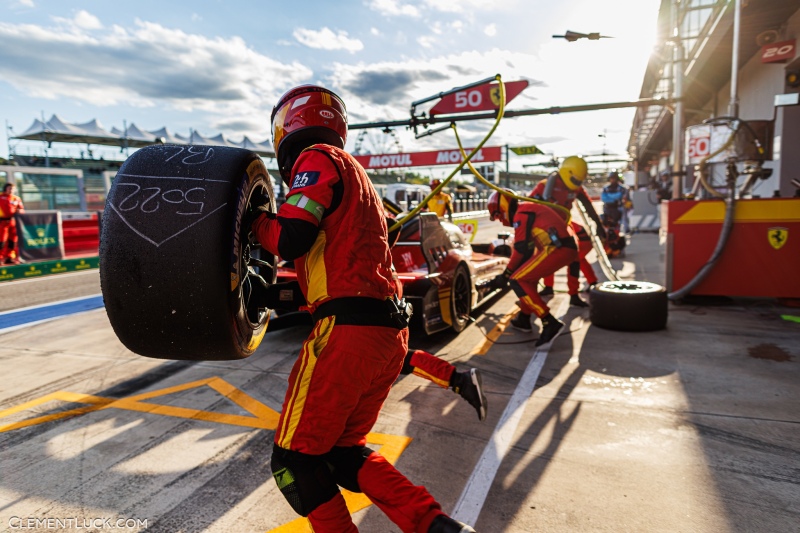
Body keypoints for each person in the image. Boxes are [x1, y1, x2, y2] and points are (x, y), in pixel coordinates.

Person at [251, 84, 477, 533]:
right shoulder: (362, 184)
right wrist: (265, 295)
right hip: (385, 335)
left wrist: (250, 218)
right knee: (341, 452)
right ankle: (436, 526)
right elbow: (335, 277)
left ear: (285, 125)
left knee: (294, 463)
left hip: (346, 337)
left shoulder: (317, 158)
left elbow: (289, 236)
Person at [486, 189, 578, 346]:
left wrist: (506, 275)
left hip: (558, 248)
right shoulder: (526, 210)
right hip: (561, 247)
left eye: (498, 215)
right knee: (528, 279)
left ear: (503, 207)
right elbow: (526, 251)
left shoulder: (521, 214)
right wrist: (506, 274)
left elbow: (521, 250)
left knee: (517, 280)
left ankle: (549, 321)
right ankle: (524, 318)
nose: (500, 220)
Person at [528, 156, 604, 307]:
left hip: (565, 224)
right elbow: (529, 208)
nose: (576, 185)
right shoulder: (544, 187)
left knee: (574, 256)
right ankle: (547, 287)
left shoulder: (577, 188)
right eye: (576, 181)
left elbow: (588, 206)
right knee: (548, 256)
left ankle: (574, 294)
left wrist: (599, 226)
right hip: (546, 227)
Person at [0, 183, 25, 265]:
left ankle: (10, 257)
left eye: (12, 189)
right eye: (9, 188)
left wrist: (20, 211)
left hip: (13, 221)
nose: (11, 190)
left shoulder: (16, 198)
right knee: (1, 241)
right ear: (5, 189)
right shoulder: (0, 196)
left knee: (13, 241)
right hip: (2, 221)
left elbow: (21, 209)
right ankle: (0, 258)